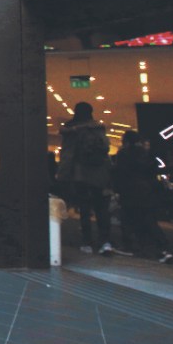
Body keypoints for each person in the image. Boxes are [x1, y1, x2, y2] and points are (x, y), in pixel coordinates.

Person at [56, 102, 114, 255]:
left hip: (80, 174)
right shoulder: (98, 127)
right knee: (102, 209)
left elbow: (68, 155)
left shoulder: (72, 129)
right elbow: (106, 152)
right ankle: (105, 241)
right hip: (100, 174)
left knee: (85, 208)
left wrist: (62, 175)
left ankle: (87, 242)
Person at [113, 130, 173, 263]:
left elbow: (119, 174)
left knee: (127, 220)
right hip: (147, 191)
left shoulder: (123, 154)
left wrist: (116, 190)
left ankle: (130, 246)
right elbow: (153, 172)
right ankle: (163, 247)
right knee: (149, 220)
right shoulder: (147, 154)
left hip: (129, 191)